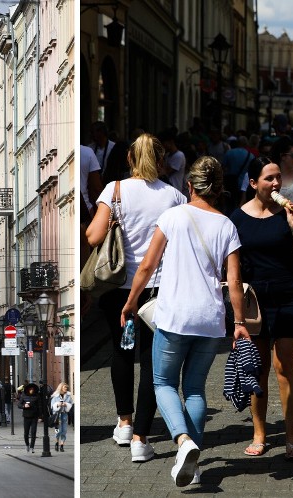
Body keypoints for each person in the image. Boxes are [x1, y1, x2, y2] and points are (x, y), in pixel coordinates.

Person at [121, 155, 250, 486]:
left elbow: (148, 266)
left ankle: (182, 441)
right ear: (219, 189)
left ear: (188, 185)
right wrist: (239, 322)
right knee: (194, 388)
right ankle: (192, 468)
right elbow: (234, 281)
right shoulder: (227, 225)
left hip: (174, 315)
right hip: (210, 320)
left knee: (163, 383)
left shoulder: (173, 216)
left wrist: (131, 301)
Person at [85, 132, 187, 463]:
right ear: (161, 160)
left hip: (120, 289)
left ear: (129, 159)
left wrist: (113, 218)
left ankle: (124, 422)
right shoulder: (174, 196)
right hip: (158, 289)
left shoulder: (114, 190)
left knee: (121, 352)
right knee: (153, 362)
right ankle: (141, 439)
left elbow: (93, 237)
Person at [230, 156, 293, 460]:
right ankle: (260, 433)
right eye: (269, 179)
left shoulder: (291, 213)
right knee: (258, 369)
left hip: (292, 296)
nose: (276, 183)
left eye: (278, 177)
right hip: (256, 303)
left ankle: (292, 435)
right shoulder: (236, 219)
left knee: (284, 365)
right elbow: (233, 270)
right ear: (253, 183)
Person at [50, 383, 74, 452]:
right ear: (61, 388)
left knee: (64, 431)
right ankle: (56, 442)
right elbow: (52, 406)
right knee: (57, 431)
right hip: (57, 416)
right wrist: (58, 404)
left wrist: (66, 404)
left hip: (64, 415)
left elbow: (71, 404)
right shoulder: (56, 396)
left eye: (66, 388)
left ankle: (62, 445)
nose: (66, 389)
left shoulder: (68, 396)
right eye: (64, 387)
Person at [18, 383, 41, 453]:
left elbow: (40, 406)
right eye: (30, 389)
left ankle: (32, 447)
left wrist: (40, 417)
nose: (31, 390)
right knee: (26, 433)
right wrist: (24, 406)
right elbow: (19, 404)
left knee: (33, 432)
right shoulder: (23, 395)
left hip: (34, 416)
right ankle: (27, 444)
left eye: (33, 389)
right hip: (26, 416)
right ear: (28, 390)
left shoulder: (37, 396)